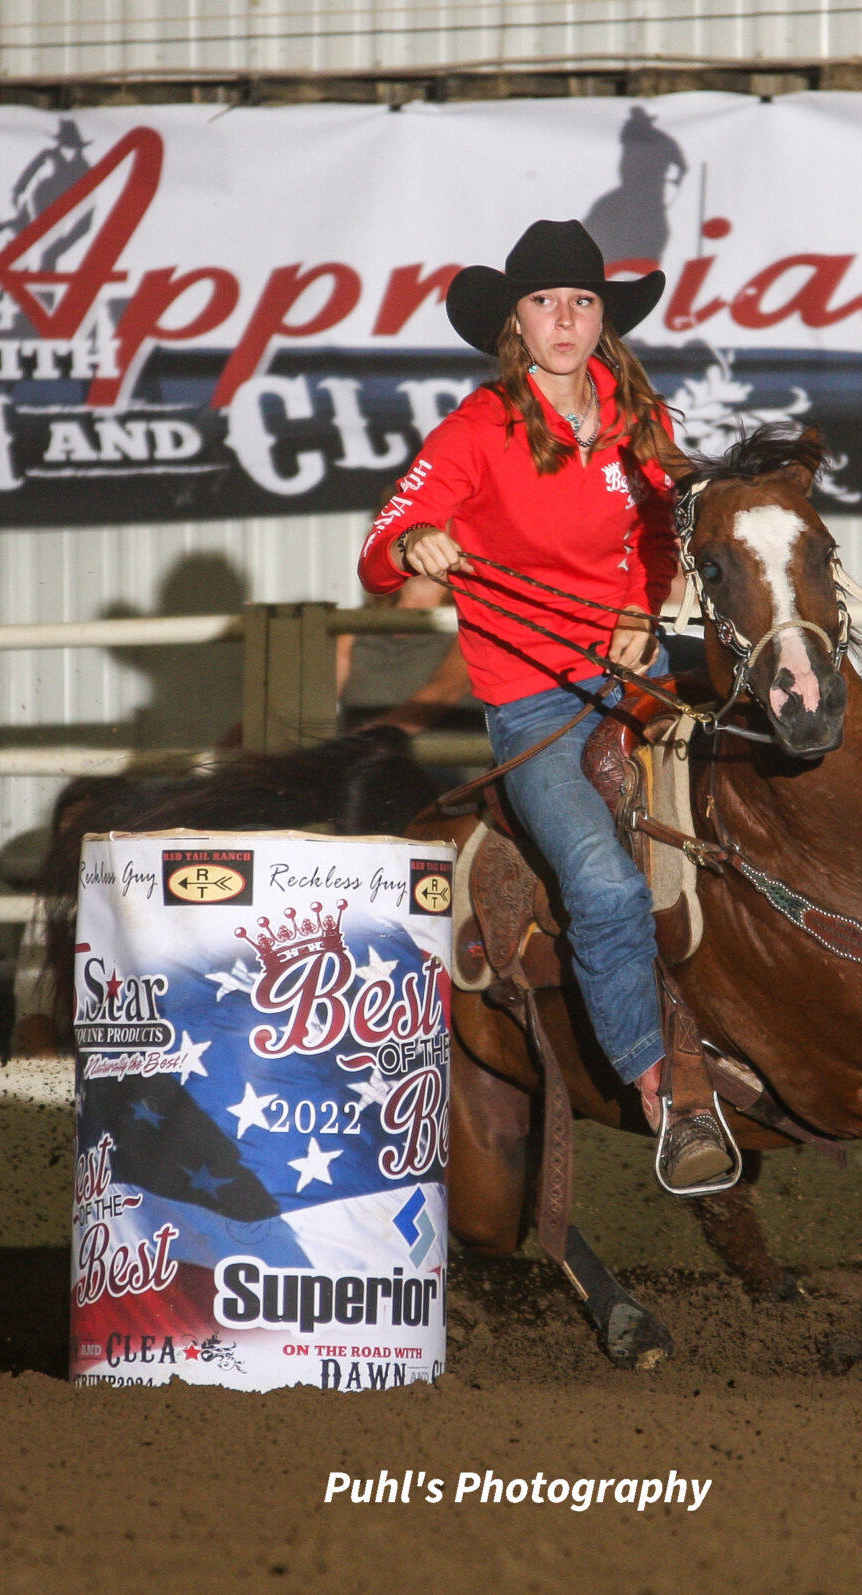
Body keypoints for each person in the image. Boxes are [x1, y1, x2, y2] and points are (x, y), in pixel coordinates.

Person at [357, 217, 737, 1193]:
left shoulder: (634, 409)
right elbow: (383, 542)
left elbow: (671, 531)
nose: (563, 320)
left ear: (600, 321)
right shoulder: (475, 431)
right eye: (543, 304)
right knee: (606, 889)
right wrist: (414, 549)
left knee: (816, 727)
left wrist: (641, 609)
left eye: (580, 302)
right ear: (515, 325)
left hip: (642, 673)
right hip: (535, 703)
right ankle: (663, 1094)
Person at [334, 561, 479, 737]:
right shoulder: (353, 626)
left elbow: (447, 690)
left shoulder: (475, 620)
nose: (422, 539)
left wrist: (364, 744)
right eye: (405, 533)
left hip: (442, 761)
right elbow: (316, 697)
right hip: (366, 760)